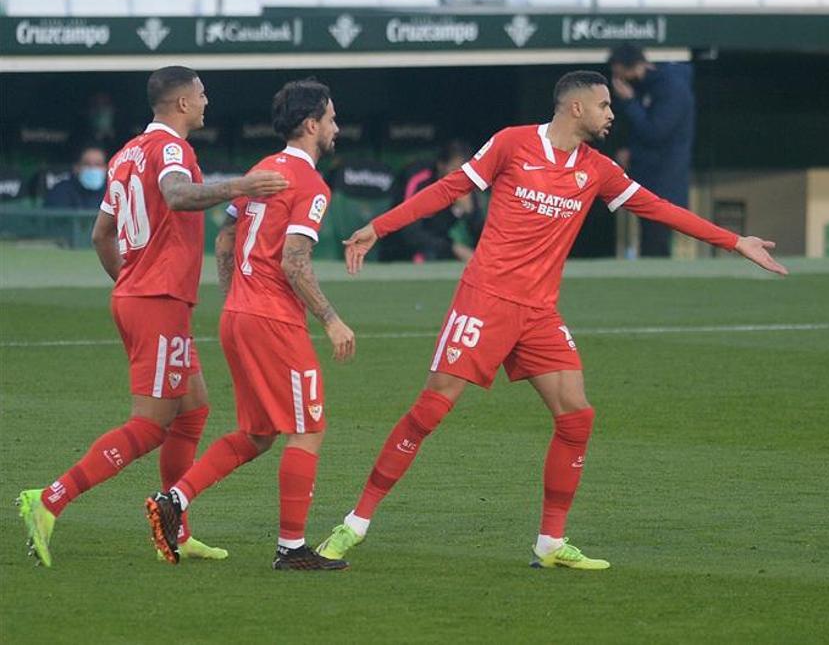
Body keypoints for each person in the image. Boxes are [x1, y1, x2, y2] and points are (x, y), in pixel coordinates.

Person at [315, 71, 786, 570]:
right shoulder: (513, 143)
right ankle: (355, 524)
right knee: (430, 411)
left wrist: (735, 242)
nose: (612, 114)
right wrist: (377, 228)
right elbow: (448, 189)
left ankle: (550, 542)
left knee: (577, 416)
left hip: (539, 313)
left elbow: (659, 209)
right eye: (604, 106)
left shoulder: (598, 170)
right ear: (576, 108)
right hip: (485, 301)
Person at [15, 66, 288, 568]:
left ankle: (176, 530)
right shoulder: (172, 150)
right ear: (182, 102)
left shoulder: (125, 154)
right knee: (151, 425)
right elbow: (179, 196)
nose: (207, 101)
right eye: (202, 93)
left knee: (193, 410)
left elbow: (102, 234)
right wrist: (242, 186)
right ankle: (49, 498)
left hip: (145, 297)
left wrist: (128, 282)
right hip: (156, 300)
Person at [145, 79, 355, 571]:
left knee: (259, 432)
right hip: (274, 321)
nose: (335, 128)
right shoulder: (311, 185)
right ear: (311, 125)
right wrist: (331, 319)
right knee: (308, 429)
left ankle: (174, 500)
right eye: (331, 119)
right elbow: (293, 263)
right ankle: (291, 548)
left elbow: (224, 239)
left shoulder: (263, 170)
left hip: (239, 314)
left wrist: (236, 296)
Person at [608, 43, 695, 258]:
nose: (618, 80)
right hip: (646, 177)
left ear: (632, 67)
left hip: (664, 180)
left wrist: (629, 102)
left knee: (657, 242)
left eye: (620, 74)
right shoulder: (645, 88)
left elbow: (656, 131)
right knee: (648, 240)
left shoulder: (671, 88)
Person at [396, 139, 485, 262]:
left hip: (438, 243)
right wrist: (453, 248)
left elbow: (481, 234)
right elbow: (409, 232)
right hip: (401, 247)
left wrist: (469, 213)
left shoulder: (465, 181)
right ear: (441, 166)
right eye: (454, 169)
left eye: (464, 171)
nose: (459, 177)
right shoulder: (419, 180)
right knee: (426, 254)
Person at [43, 144, 107, 210]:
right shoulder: (59, 192)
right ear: (76, 168)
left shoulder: (112, 193)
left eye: (98, 164)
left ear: (106, 168)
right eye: (86, 164)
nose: (93, 168)